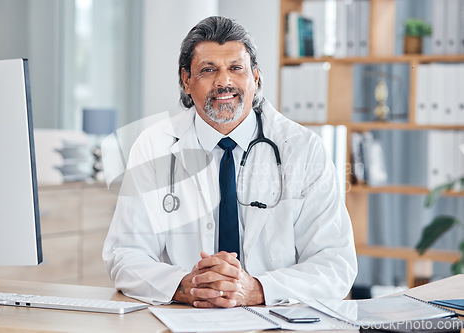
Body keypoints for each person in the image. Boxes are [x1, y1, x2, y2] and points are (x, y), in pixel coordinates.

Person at [103, 16, 357, 308]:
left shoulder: (303, 148)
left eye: (236, 68)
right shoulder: (154, 146)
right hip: (186, 317)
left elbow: (335, 264)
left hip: (273, 319)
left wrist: (257, 289)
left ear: (255, 77)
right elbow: (124, 254)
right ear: (186, 80)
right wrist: (188, 286)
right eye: (208, 70)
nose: (224, 81)